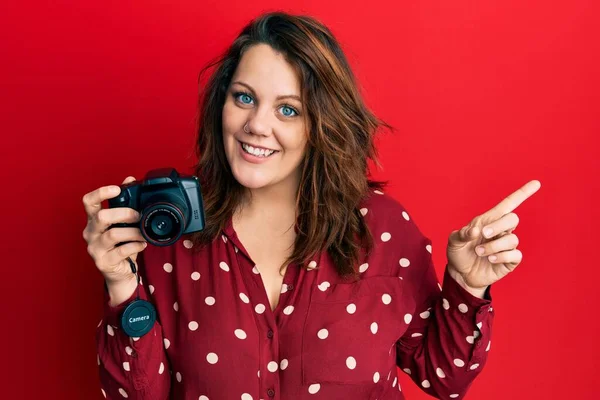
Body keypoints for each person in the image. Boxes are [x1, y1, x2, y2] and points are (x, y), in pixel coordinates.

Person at [82, 11, 541, 400]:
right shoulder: (169, 228)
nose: (257, 125)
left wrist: (466, 286)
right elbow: (140, 393)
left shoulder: (381, 229)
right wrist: (122, 284)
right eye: (244, 98)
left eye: (288, 109)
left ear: (321, 122)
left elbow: (447, 377)